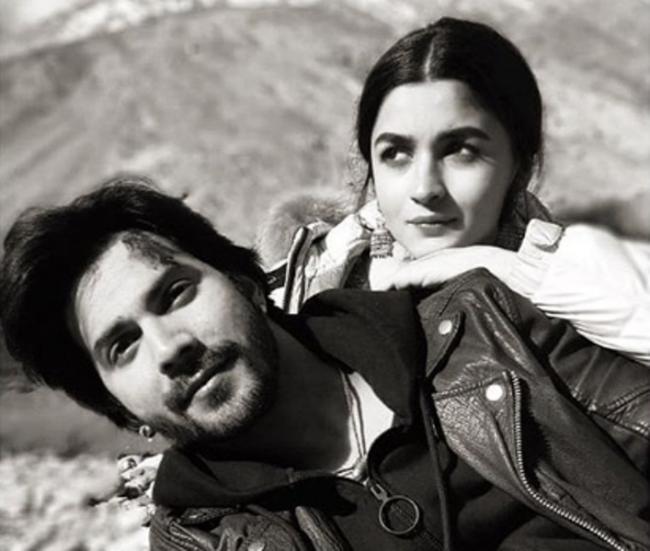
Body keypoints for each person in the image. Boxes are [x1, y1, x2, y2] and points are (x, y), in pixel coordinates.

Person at [1, 180, 648, 551]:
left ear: (244, 280)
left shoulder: (477, 330)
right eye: (122, 346)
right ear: (119, 407)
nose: (169, 346)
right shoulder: (200, 539)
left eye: (174, 293)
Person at [258, 17, 650, 365]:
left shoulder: (583, 281)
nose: (425, 188)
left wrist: (501, 267)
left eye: (461, 151)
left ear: (520, 165)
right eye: (395, 154)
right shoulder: (301, 296)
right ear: (371, 169)